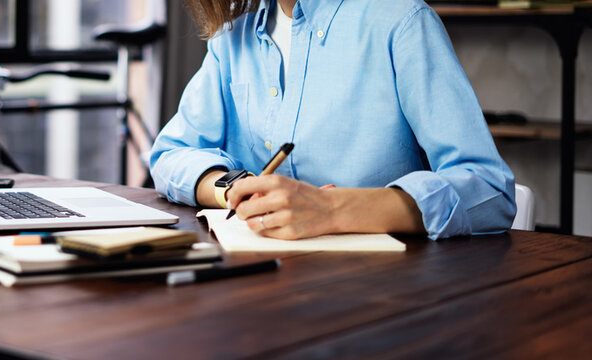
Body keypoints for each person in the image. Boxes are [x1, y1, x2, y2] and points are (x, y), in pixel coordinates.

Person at [149, 0, 516, 240]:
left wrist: (332, 211)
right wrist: (235, 188)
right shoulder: (232, 39)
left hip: (384, 296)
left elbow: (489, 190)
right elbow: (171, 153)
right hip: (258, 294)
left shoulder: (401, 21)